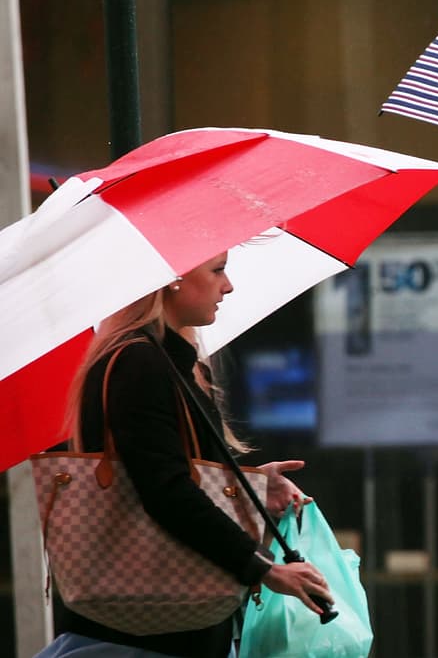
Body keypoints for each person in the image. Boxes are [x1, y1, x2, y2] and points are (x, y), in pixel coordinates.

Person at [38, 252, 332, 658]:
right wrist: (264, 567)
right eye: (217, 270)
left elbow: (165, 476)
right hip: (144, 639)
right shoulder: (140, 363)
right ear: (171, 277)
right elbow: (166, 492)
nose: (227, 286)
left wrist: (248, 488)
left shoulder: (172, 361)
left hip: (164, 627)